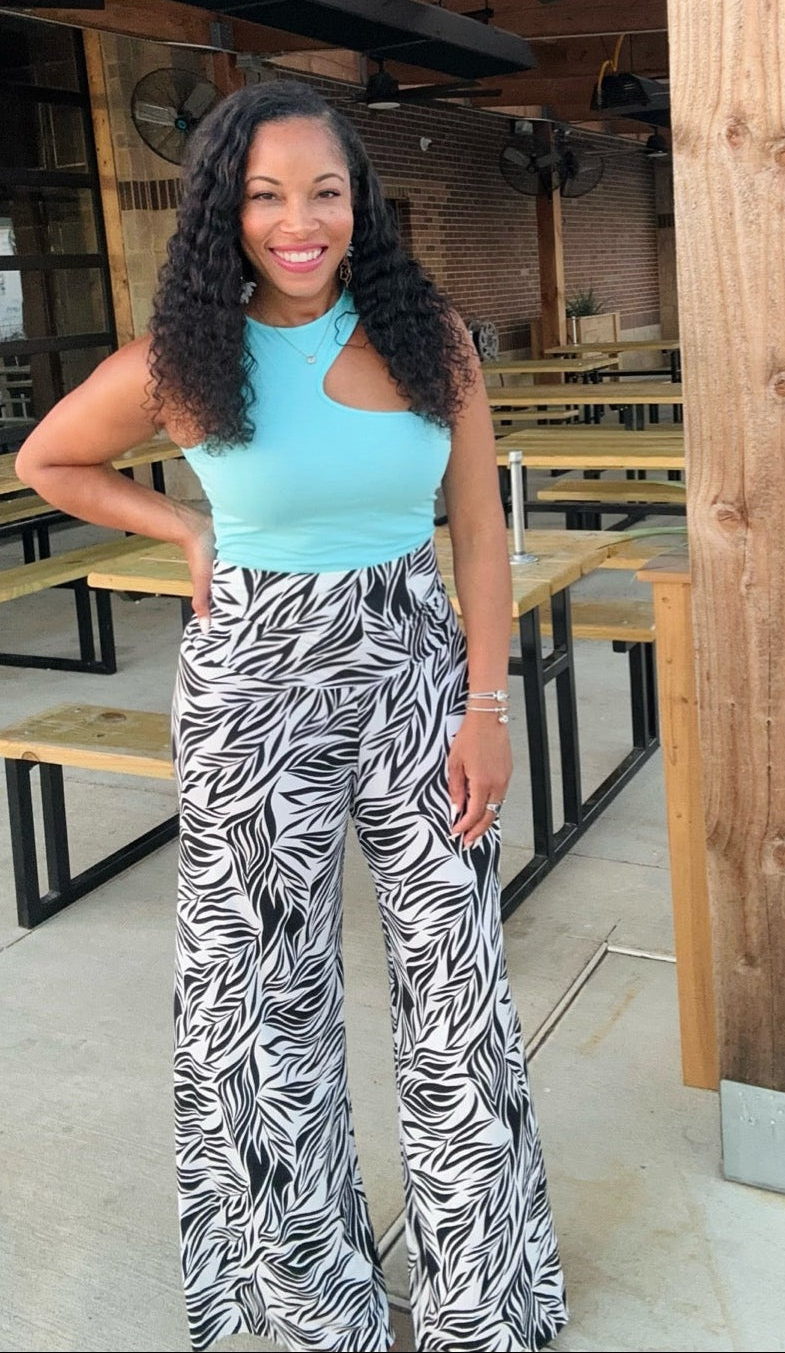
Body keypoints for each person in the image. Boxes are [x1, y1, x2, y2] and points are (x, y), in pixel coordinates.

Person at [15, 80, 567, 1353]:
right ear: (227, 210)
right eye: (265, 194)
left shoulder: (429, 331)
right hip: (253, 676)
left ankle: (479, 1306)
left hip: (418, 659)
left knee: (456, 988)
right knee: (264, 996)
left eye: (323, 189)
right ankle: (314, 1304)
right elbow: (51, 458)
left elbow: (477, 531)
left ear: (357, 200)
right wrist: (182, 522)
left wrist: (486, 703)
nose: (297, 220)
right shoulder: (184, 357)